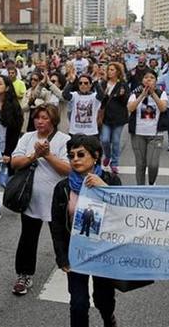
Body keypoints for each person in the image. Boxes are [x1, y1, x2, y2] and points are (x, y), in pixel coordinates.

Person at [50, 135, 120, 327]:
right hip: (76, 253)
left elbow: (123, 212)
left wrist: (103, 187)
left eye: (81, 154)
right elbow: (56, 225)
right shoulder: (62, 188)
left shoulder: (110, 180)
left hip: (102, 251)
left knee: (103, 299)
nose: (75, 159)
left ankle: (108, 318)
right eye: (71, 156)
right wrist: (62, 257)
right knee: (78, 303)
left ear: (95, 156)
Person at [10, 105, 70, 295]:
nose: (40, 121)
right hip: (31, 199)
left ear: (53, 120)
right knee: (28, 238)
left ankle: (69, 268)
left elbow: (68, 169)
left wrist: (48, 155)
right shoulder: (27, 137)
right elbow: (15, 162)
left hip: (57, 200)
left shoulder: (64, 140)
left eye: (44, 118)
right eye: (37, 118)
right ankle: (24, 275)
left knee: (62, 237)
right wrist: (34, 155)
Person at [127, 70, 168, 185]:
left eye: (151, 78)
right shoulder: (135, 94)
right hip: (138, 134)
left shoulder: (161, 93)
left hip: (156, 134)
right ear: (142, 81)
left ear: (156, 81)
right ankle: (140, 188)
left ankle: (151, 183)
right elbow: (130, 108)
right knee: (140, 164)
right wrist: (142, 95)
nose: (148, 80)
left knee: (153, 164)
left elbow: (163, 108)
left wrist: (153, 94)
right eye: (146, 77)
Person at [0, 75, 23, 219]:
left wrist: (8, 152)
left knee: (5, 180)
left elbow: (14, 132)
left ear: (7, 88)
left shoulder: (14, 107)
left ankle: (21, 197)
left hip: (5, 149)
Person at [99, 62, 129, 174]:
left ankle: (115, 163)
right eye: (109, 69)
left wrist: (122, 95)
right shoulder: (103, 83)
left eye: (112, 69)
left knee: (116, 141)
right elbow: (100, 99)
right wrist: (104, 93)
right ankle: (107, 156)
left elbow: (126, 100)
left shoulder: (122, 84)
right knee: (105, 140)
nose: (110, 72)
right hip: (106, 116)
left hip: (119, 117)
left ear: (117, 71)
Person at [62, 71, 105, 137]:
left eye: (86, 83)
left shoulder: (94, 96)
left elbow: (101, 95)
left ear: (90, 85)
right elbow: (65, 95)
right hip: (75, 132)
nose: (83, 85)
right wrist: (71, 82)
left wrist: (96, 82)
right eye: (80, 83)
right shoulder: (74, 95)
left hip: (91, 132)